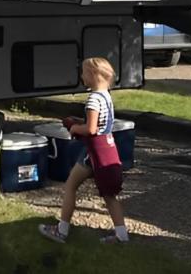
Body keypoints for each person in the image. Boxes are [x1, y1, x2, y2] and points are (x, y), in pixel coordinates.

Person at [38, 57, 128, 245]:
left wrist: (75, 128)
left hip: (93, 153)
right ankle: (122, 235)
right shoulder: (106, 95)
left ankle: (61, 231)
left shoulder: (93, 99)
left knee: (70, 187)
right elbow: (101, 125)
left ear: (93, 75)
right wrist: (81, 123)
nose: (81, 76)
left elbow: (92, 129)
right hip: (106, 148)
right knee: (110, 195)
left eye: (83, 73)